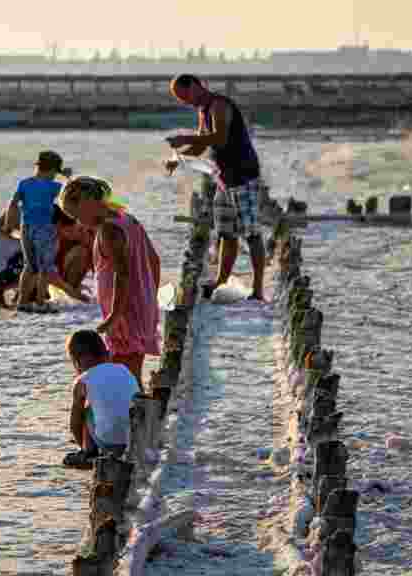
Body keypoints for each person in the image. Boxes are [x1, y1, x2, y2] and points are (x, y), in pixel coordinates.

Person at [164, 73, 267, 301]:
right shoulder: (203, 111)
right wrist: (177, 158)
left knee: (251, 234)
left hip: (243, 176)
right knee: (226, 234)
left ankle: (258, 290)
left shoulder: (219, 105)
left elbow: (219, 139)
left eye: (184, 95)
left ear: (197, 86)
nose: (184, 101)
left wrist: (185, 139)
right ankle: (221, 281)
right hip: (223, 179)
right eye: (179, 99)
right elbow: (202, 146)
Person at [60, 176, 161, 390]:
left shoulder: (109, 231)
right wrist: (149, 296)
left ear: (89, 202)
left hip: (125, 313)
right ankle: (136, 416)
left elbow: (122, 275)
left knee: (126, 375)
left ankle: (136, 419)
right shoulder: (128, 219)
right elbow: (154, 260)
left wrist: (114, 317)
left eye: (76, 214)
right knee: (129, 370)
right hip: (139, 306)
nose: (78, 222)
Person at [0, 212, 91, 309]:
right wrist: (70, 291)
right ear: (61, 225)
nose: (78, 234)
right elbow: (48, 273)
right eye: (77, 230)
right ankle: (20, 296)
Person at [63, 329, 140, 470]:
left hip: (110, 442)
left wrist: (82, 445)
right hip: (136, 439)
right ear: (105, 352)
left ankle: (88, 452)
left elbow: (74, 424)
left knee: (85, 410)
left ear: (77, 359)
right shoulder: (124, 369)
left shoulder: (83, 380)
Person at [5, 150, 71, 313]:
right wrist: (68, 178)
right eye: (56, 172)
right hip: (44, 229)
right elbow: (72, 193)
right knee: (45, 267)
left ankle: (22, 301)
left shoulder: (24, 184)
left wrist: (9, 224)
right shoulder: (54, 186)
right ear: (52, 170)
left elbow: (13, 204)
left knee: (30, 266)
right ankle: (41, 302)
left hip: (26, 228)